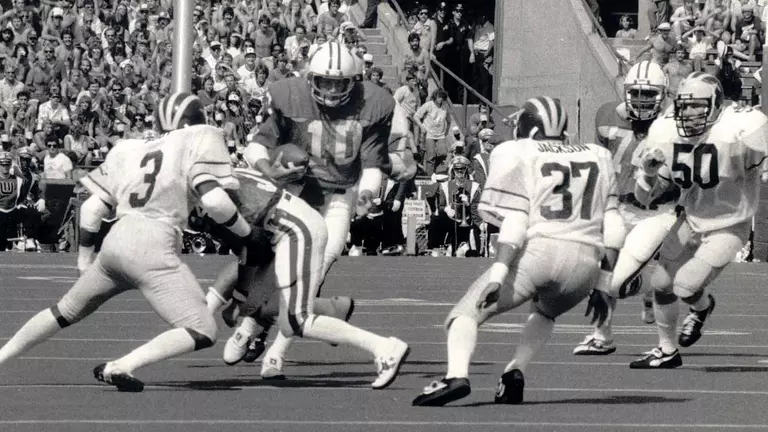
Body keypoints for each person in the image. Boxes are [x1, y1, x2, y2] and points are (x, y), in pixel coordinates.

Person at [0, 93, 253, 392]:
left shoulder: (132, 148)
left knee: (63, 311)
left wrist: (84, 260)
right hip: (154, 244)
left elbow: (93, 210)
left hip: (115, 240)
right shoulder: (197, 141)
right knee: (203, 330)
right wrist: (248, 234)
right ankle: (121, 366)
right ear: (198, 122)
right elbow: (216, 202)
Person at [207, 41, 411, 382]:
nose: (331, 90)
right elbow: (258, 145)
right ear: (311, 78)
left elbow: (376, 161)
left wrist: (368, 192)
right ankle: (259, 320)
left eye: (339, 82)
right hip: (295, 192)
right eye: (325, 81)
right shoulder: (291, 97)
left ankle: (274, 350)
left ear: (354, 81)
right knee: (263, 265)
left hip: (340, 196)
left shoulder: (375, 103)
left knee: (309, 276)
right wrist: (268, 170)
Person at [412, 96, 626, 406]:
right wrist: (605, 286)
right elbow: (615, 224)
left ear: (530, 131)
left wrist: (498, 274)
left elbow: (515, 220)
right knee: (544, 312)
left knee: (463, 315)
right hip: (585, 265)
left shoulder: (520, 152)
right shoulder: (597, 155)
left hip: (539, 253)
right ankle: (514, 372)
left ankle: (456, 376)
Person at [620, 72, 768, 368]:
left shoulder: (737, 129)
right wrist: (648, 173)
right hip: (690, 217)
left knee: (685, 286)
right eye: (684, 106)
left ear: (715, 105)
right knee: (661, 283)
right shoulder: (667, 132)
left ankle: (701, 308)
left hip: (728, 222)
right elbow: (647, 195)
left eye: (696, 105)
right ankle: (666, 350)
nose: (688, 113)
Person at [574, 60, 681, 356]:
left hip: (659, 209)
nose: (642, 100)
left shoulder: (673, 122)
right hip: (621, 205)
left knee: (620, 277)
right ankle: (602, 334)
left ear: (663, 94)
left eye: (650, 94)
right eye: (637, 93)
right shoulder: (607, 115)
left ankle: (649, 286)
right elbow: (601, 161)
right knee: (603, 270)